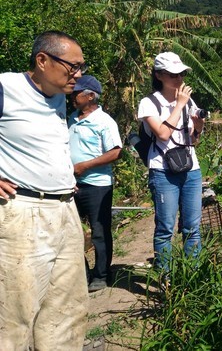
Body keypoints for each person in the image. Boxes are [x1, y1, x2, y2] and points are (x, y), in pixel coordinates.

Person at [0, 30, 89, 350]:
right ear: (42, 60)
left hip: (65, 210)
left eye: (81, 68)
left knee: (66, 311)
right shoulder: (6, 87)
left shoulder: (57, 98)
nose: (78, 76)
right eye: (73, 67)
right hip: (23, 212)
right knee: (15, 317)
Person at [137, 52, 205, 277]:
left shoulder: (189, 102)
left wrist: (199, 125)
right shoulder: (149, 103)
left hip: (190, 169)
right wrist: (180, 104)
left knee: (192, 228)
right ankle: (165, 279)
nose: (179, 79)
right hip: (163, 171)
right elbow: (163, 134)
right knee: (165, 228)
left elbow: (193, 140)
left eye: (182, 74)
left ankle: (191, 277)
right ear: (159, 75)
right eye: (174, 74)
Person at [68, 75, 123, 292]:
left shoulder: (104, 121)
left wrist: (85, 166)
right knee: (71, 231)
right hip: (72, 184)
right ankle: (82, 273)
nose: (72, 96)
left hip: (97, 184)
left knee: (99, 231)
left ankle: (101, 275)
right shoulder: (71, 118)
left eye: (77, 93)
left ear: (91, 96)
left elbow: (116, 152)